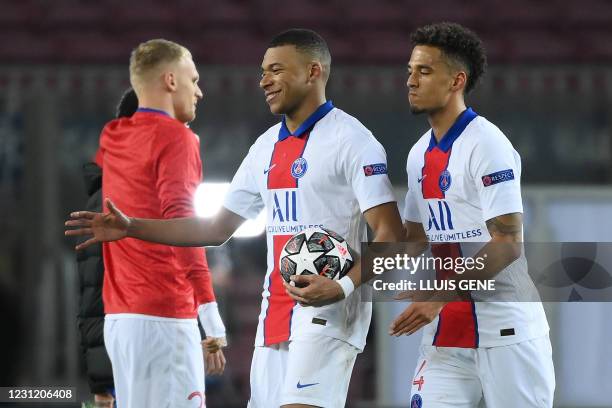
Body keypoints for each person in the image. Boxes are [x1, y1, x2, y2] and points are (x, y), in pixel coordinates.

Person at [66, 29, 405, 408]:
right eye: (262, 71)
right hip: (273, 315)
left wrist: (341, 286)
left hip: (329, 315)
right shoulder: (264, 148)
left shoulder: (353, 141)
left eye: (276, 69)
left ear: (313, 72)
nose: (264, 80)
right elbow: (215, 228)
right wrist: (132, 227)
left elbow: (393, 235)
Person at [387, 23, 554, 407]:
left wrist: (436, 297)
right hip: (446, 331)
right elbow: (413, 240)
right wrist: (348, 280)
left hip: (506, 331)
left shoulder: (488, 144)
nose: (411, 81)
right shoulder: (417, 155)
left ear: (456, 81)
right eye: (409, 71)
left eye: (424, 71)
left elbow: (508, 244)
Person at [83, 40, 227, 407]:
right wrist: (210, 319)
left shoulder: (112, 136)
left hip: (120, 322)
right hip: (164, 317)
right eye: (193, 80)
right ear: (170, 80)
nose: (200, 91)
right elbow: (183, 227)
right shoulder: (177, 137)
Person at [76, 88, 138, 408]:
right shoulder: (110, 199)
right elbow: (94, 292)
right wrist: (103, 385)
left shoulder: (141, 187)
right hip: (128, 363)